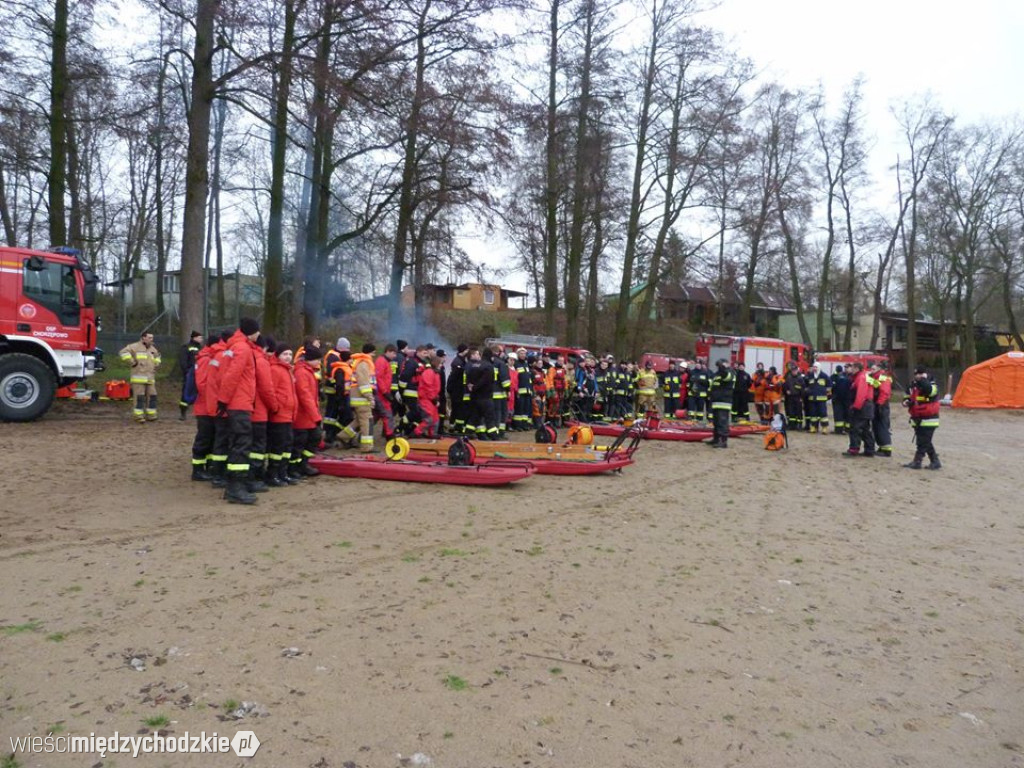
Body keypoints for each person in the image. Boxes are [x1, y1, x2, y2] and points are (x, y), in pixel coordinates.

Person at [217, 317, 263, 504]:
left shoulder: (234, 346)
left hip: (236, 402)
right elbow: (232, 375)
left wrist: (223, 400)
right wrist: (224, 399)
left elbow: (224, 374)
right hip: (240, 403)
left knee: (237, 444)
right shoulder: (243, 348)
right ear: (252, 331)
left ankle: (237, 485)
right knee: (241, 445)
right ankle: (236, 487)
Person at [247, 335, 279, 491]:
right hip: (259, 412)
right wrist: (274, 407)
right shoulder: (261, 362)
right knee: (258, 447)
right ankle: (255, 477)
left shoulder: (250, 358)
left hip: (247, 409)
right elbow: (267, 389)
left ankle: (252, 476)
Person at [266, 342, 298, 487]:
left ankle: (282, 473)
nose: (288, 357)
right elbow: (271, 391)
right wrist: (276, 407)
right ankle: (272, 474)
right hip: (279, 415)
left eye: (290, 354)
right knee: (277, 447)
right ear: (278, 355)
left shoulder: (288, 370)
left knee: (287, 445)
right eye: (285, 354)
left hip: (288, 414)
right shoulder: (275, 370)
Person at [290, 344, 323, 479]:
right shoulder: (302, 372)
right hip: (303, 415)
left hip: (308, 415)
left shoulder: (307, 371)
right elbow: (305, 396)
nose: (320, 362)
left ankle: (303, 464)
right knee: (300, 442)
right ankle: (295, 468)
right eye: (318, 359)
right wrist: (316, 415)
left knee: (312, 438)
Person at [903, 365, 941, 469]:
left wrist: (924, 379)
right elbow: (907, 396)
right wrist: (906, 402)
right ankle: (935, 461)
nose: (918, 376)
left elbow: (929, 391)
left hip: (929, 418)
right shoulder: (912, 385)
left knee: (923, 442)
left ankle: (917, 461)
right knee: (925, 441)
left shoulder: (932, 384)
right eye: (916, 374)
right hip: (917, 418)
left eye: (920, 374)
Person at [119, 331, 162, 423]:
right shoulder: (134, 347)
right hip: (138, 377)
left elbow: (158, 357)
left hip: (150, 378)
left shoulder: (153, 349)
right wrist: (132, 362)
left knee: (152, 396)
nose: (151, 339)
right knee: (139, 397)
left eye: (152, 337)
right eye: (149, 337)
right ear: (143, 338)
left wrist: (156, 363)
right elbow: (123, 352)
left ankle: (151, 415)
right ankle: (138, 416)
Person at [346, 343, 377, 452]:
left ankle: (343, 437)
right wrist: (370, 397)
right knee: (367, 422)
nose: (374, 355)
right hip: (362, 398)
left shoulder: (361, 362)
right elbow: (364, 383)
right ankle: (366, 447)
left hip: (359, 397)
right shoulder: (364, 364)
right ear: (369, 352)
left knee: (359, 421)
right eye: (373, 352)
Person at [843, 362, 876, 457]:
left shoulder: (861, 378)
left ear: (857, 368)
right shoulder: (862, 377)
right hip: (866, 406)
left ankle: (854, 449)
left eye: (852, 368)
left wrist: (855, 407)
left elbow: (861, 394)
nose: (851, 370)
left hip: (862, 406)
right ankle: (869, 450)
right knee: (865, 429)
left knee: (855, 428)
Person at [866, 361, 893, 456]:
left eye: (873, 369)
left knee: (882, 426)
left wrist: (879, 404)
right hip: (877, 403)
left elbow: (884, 392)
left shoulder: (882, 377)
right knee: (876, 426)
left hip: (881, 404)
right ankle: (882, 446)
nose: (871, 371)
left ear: (878, 369)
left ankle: (886, 449)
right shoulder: (875, 377)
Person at [708, 359, 735, 448]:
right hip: (716, 401)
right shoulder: (717, 374)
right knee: (716, 422)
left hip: (724, 401)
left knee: (722, 422)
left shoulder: (730, 372)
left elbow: (727, 377)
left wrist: (722, 367)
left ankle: (723, 441)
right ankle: (716, 439)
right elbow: (713, 385)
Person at [416, 354, 443, 437]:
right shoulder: (429, 372)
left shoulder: (435, 373)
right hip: (426, 399)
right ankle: (417, 432)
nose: (441, 365)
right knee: (429, 419)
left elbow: (434, 388)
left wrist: (436, 399)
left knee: (435, 419)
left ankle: (432, 433)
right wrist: (434, 399)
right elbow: (428, 388)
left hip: (431, 399)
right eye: (440, 363)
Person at [178, 330, 203, 420]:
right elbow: (183, 361)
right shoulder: (186, 347)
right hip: (190, 374)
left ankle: (198, 412)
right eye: (200, 337)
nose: (201, 339)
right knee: (186, 392)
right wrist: (187, 372)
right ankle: (183, 412)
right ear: (194, 338)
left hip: (199, 374)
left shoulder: (201, 348)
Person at [374, 344, 397, 440]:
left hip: (382, 393)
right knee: (387, 414)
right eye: (393, 353)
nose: (394, 356)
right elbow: (379, 378)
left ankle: (359, 435)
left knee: (376, 416)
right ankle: (389, 435)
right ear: (387, 351)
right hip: (381, 394)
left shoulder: (386, 362)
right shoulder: (381, 361)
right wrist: (385, 392)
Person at [804, 363, 831, 433]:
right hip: (812, 398)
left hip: (821, 399)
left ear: (819, 367)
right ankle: (813, 427)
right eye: (813, 367)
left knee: (823, 414)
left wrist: (826, 393)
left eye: (816, 367)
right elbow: (806, 385)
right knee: (813, 414)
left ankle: (824, 428)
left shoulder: (824, 376)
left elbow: (829, 385)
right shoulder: (810, 376)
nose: (814, 368)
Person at [512, 348, 533, 430]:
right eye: (521, 353)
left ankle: (524, 424)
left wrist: (531, 389)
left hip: (527, 391)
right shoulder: (516, 364)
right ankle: (518, 425)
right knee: (519, 409)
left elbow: (528, 378)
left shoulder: (525, 364)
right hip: (520, 391)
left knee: (526, 409)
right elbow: (515, 378)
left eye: (524, 354)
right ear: (518, 354)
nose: (523, 355)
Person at [783, 361, 806, 431]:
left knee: (798, 411)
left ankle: (799, 425)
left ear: (797, 370)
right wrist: (786, 390)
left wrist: (802, 397)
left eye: (795, 370)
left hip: (798, 397)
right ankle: (792, 425)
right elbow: (785, 385)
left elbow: (803, 388)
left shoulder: (800, 378)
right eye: (793, 370)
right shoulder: (789, 378)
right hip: (791, 397)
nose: (794, 372)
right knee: (791, 411)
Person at [830, 365, 851, 434]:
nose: (846, 369)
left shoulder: (851, 377)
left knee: (845, 415)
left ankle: (845, 429)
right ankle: (839, 429)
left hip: (846, 399)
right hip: (841, 399)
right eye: (845, 367)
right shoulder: (839, 377)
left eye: (847, 367)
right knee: (840, 415)